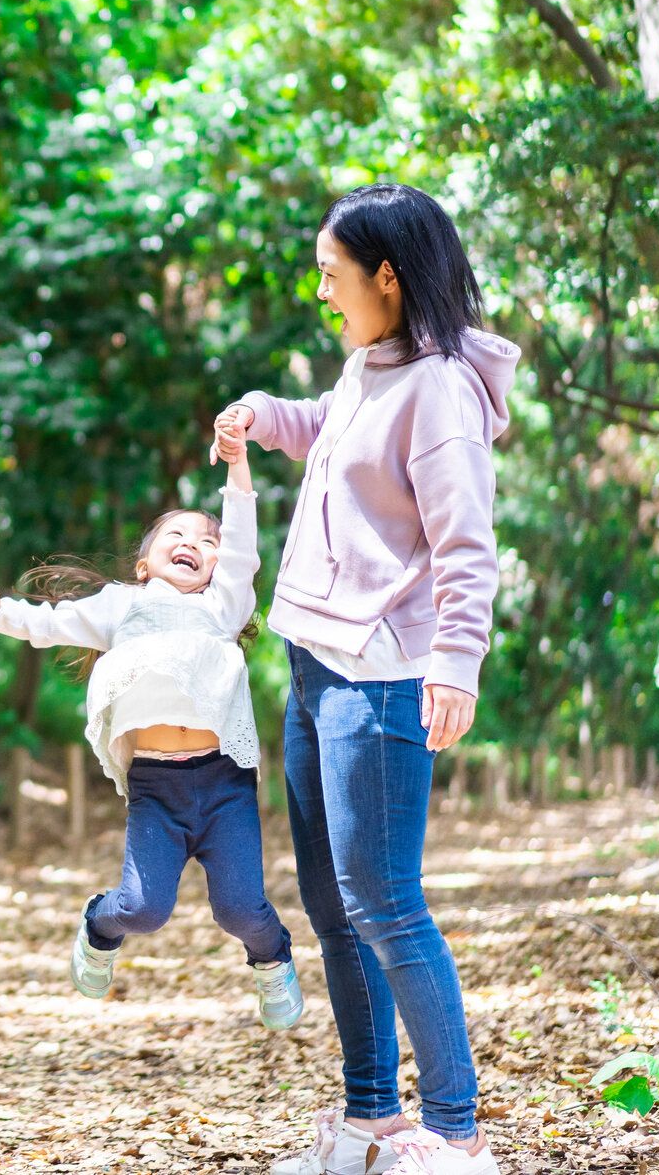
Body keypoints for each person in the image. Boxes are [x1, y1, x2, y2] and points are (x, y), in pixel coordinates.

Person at [216, 184, 518, 1175]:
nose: (321, 291)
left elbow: (465, 545)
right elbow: (334, 434)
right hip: (315, 662)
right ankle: (372, 1120)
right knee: (332, 900)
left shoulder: (440, 391)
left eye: (330, 274)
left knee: (384, 901)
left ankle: (457, 1134)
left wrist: (457, 663)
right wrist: (267, 416)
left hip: (381, 673)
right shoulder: (369, 367)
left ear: (386, 276)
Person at [0, 441, 303, 1030]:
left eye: (208, 541)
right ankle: (99, 926)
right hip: (156, 786)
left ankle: (272, 960)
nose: (193, 543)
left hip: (223, 783)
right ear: (144, 563)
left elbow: (243, 545)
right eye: (177, 534)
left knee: (241, 909)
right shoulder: (121, 605)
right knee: (143, 909)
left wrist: (237, 461)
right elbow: (46, 624)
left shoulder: (223, 605)